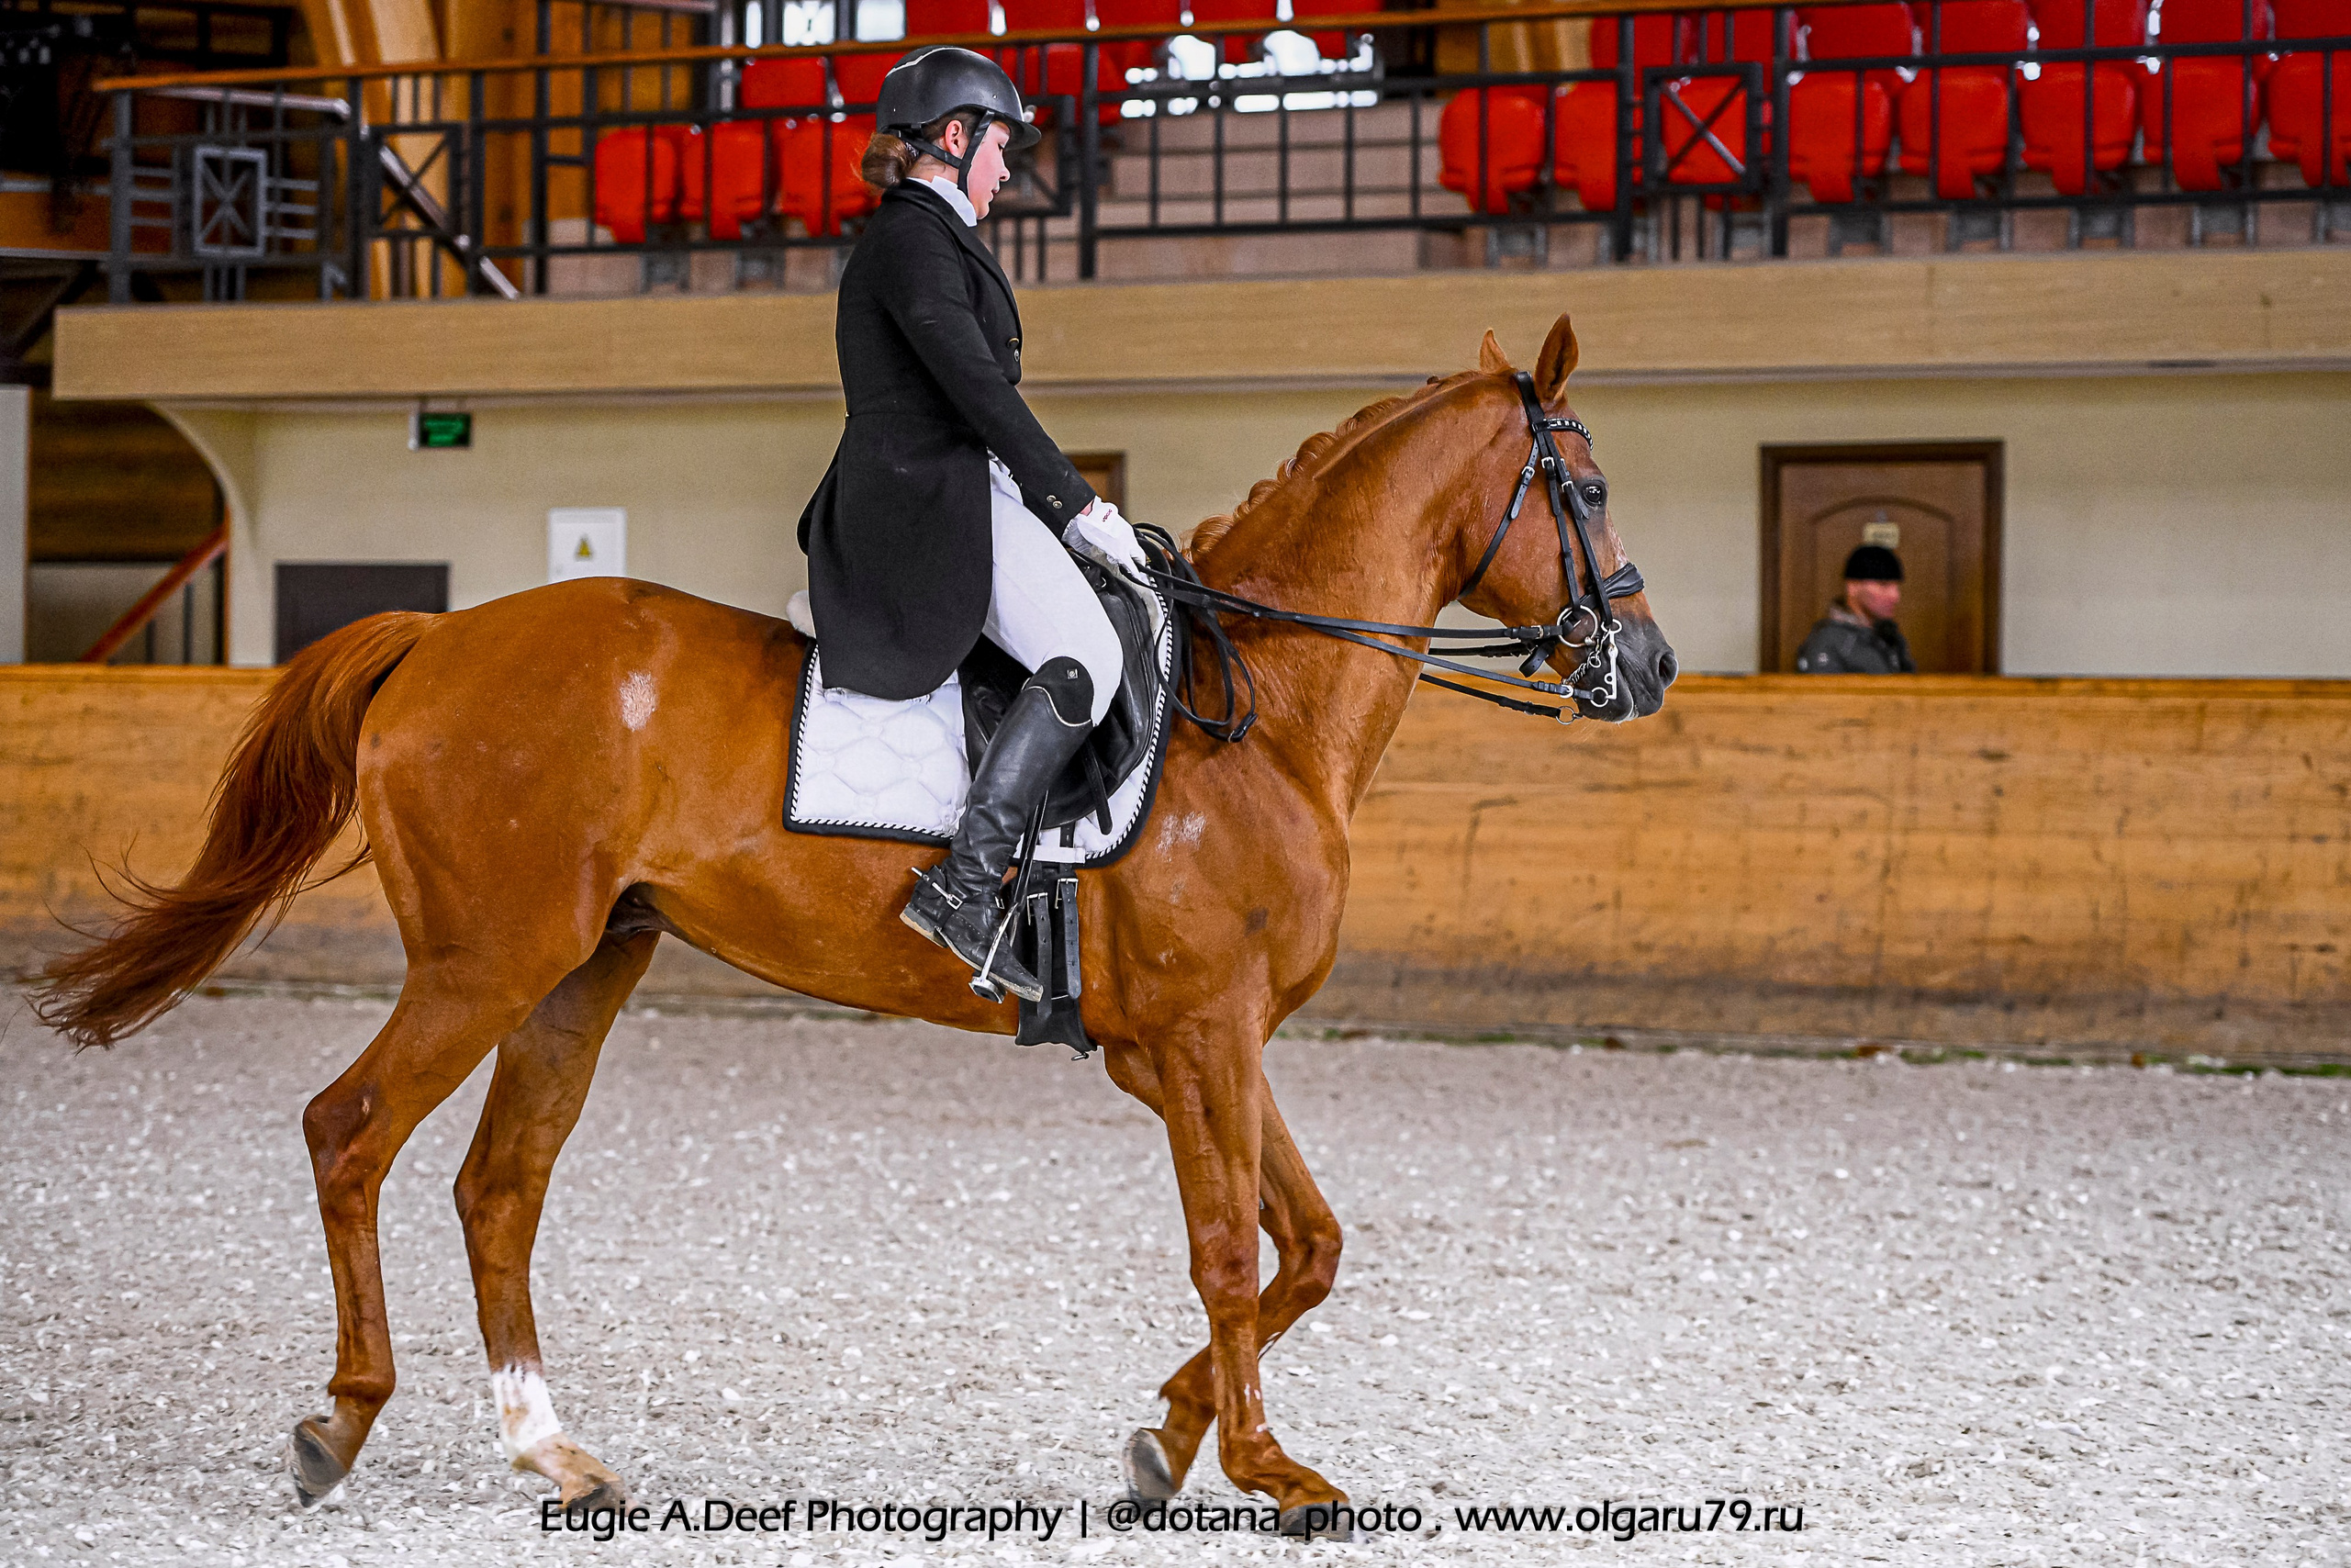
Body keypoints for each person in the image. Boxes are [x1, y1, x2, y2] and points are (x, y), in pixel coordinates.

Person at [796, 46, 1143, 1003]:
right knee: (1083, 656)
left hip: (955, 486)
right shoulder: (910, 240)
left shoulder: (934, 236)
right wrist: (1074, 505)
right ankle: (961, 886)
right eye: (998, 147)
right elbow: (974, 386)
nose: (1004, 168)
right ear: (954, 137)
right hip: (920, 503)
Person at [1794, 544, 1916, 675]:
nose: (1895, 596)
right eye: (1883, 585)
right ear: (1853, 587)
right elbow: (1822, 693)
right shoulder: (1829, 641)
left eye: (1896, 587)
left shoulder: (1889, 637)